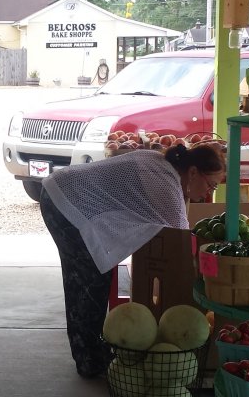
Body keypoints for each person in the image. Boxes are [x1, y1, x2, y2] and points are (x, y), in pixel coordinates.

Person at [40, 142, 227, 378]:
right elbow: (180, 242)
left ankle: (89, 354)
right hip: (66, 203)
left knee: (85, 280)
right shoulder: (166, 184)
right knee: (89, 281)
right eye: (211, 184)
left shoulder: (162, 166)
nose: (209, 193)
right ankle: (89, 361)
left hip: (61, 193)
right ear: (192, 172)